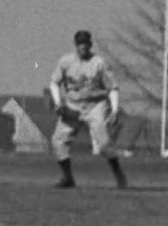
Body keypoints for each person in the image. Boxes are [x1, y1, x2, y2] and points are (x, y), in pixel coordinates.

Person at [49, 29, 126, 189]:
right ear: (75, 45)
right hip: (73, 107)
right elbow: (54, 82)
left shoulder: (99, 63)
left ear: (90, 45)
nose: (82, 46)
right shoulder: (66, 62)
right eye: (79, 43)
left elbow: (112, 87)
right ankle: (68, 178)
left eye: (85, 43)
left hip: (95, 106)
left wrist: (115, 110)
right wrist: (58, 103)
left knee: (104, 144)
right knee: (58, 141)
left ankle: (119, 175)